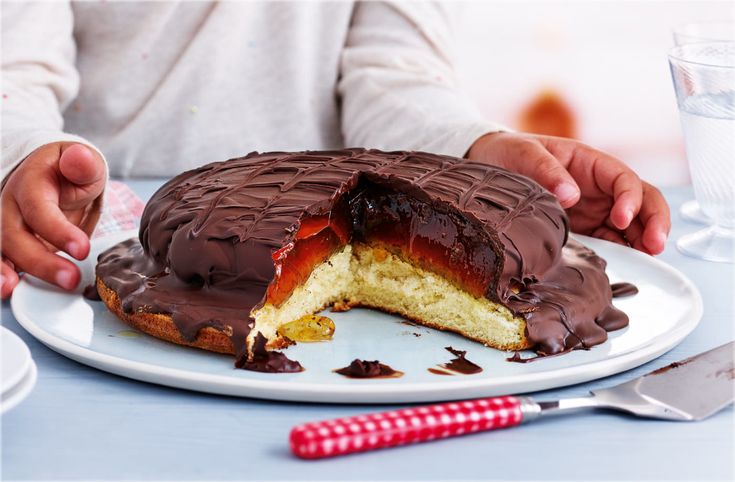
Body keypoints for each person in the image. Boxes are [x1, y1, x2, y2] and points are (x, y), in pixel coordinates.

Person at [0, 1, 670, 299]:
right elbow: (16, 67)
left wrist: (474, 153)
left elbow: (392, 71)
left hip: (329, 224)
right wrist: (26, 155)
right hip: (103, 235)